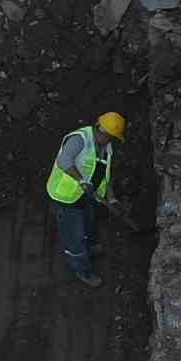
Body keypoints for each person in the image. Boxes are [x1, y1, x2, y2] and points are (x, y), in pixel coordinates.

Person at [45, 112, 125, 288]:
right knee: (75, 237)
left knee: (88, 225)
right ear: (102, 132)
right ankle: (82, 269)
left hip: (86, 196)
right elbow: (63, 160)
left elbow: (106, 175)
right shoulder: (80, 140)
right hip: (66, 197)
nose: (112, 141)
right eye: (111, 137)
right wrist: (81, 180)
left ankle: (87, 249)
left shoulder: (107, 147)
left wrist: (111, 199)